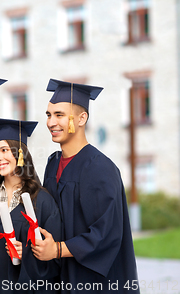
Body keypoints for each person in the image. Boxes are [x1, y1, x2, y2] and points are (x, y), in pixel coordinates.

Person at [35, 79, 139, 293]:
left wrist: (57, 249)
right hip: (61, 277)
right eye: (49, 115)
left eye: (59, 115)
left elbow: (107, 233)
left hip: (94, 282)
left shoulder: (100, 168)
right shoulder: (53, 164)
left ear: (82, 118)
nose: (51, 122)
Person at [0, 118, 62, 293]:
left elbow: (55, 260)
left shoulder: (42, 201)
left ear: (19, 153)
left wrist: (28, 254)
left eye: (4, 150)